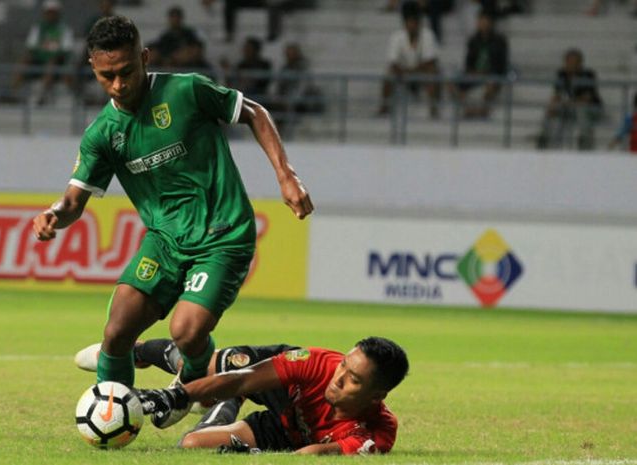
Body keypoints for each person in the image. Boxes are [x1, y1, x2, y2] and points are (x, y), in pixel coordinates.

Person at [32, 15, 313, 424]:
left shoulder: (187, 90)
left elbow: (253, 111)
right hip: (165, 242)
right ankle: (115, 419)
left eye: (127, 71)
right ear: (93, 69)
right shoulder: (102, 134)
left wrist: (286, 175)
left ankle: (187, 393)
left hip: (223, 235)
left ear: (144, 57)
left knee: (187, 330)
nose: (119, 84)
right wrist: (54, 215)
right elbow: (73, 201)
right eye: (107, 76)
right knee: (115, 333)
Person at [82, 336, 409, 454]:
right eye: (344, 366)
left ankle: (225, 402)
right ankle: (140, 351)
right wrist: (173, 398)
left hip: (287, 430)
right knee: (216, 366)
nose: (338, 378)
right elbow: (245, 378)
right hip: (287, 389)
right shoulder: (321, 364)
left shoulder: (376, 433)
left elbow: (314, 455)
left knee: (191, 445)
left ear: (376, 395)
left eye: (352, 379)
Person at [378, 1, 441, 119]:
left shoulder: (427, 34)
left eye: (414, 22)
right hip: (403, 73)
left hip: (421, 73)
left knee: (433, 72)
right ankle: (384, 107)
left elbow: (430, 61)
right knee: (388, 74)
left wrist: (412, 71)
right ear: (405, 23)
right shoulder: (397, 36)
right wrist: (405, 72)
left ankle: (433, 108)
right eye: (409, 22)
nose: (412, 25)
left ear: (418, 23)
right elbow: (393, 62)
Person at [9, 0, 75, 105]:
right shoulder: (38, 29)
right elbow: (31, 48)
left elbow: (66, 50)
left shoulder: (64, 30)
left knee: (51, 63)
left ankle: (41, 95)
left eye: (53, 12)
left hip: (57, 62)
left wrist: (53, 55)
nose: (50, 15)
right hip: (40, 60)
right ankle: (12, 93)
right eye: (48, 12)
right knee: (24, 61)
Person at [536, 48, 602, 151]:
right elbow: (557, 95)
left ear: (580, 63)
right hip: (569, 106)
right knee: (551, 109)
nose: (571, 65)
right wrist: (553, 105)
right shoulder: (561, 74)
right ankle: (544, 138)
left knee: (581, 109)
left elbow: (587, 98)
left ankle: (585, 142)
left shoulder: (588, 74)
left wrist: (568, 103)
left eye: (574, 62)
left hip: (591, 109)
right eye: (569, 62)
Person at [451, 11, 508, 118]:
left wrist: (487, 72)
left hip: (491, 74)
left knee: (491, 83)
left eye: (485, 21)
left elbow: (501, 65)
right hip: (475, 73)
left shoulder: (499, 41)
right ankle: (467, 109)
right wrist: (473, 72)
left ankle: (484, 110)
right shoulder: (473, 40)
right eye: (481, 21)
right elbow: (468, 63)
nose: (483, 24)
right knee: (451, 83)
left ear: (491, 23)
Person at [226, 36, 273, 102]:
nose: (246, 51)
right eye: (245, 48)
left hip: (259, 96)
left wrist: (250, 80)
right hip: (243, 96)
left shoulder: (264, 65)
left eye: (249, 49)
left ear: (256, 50)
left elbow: (264, 83)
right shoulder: (241, 65)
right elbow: (233, 82)